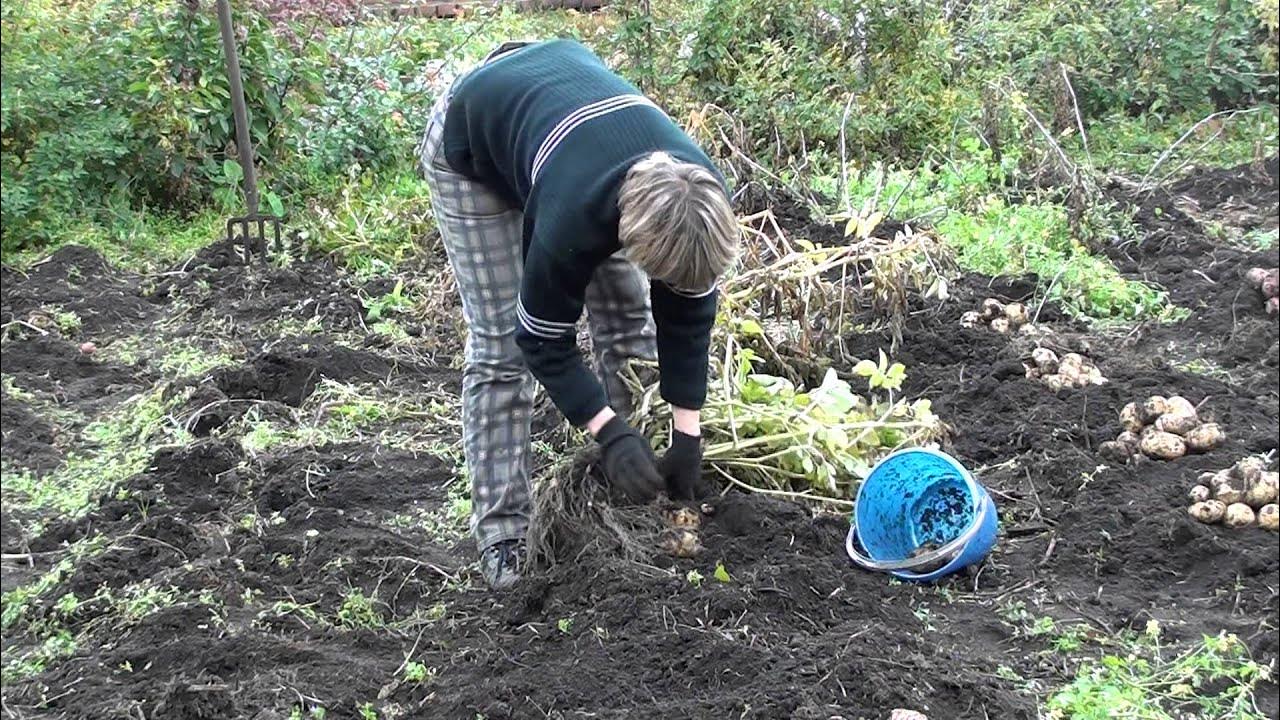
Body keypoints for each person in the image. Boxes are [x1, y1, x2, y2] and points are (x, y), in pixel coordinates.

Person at [417, 39, 739, 590]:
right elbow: (540, 340)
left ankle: (635, 495)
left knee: (629, 320)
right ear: (626, 231)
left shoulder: (699, 197)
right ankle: (504, 536)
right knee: (501, 347)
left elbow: (688, 308)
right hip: (474, 138)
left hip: (565, 130)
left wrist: (687, 432)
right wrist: (607, 431)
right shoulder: (573, 218)